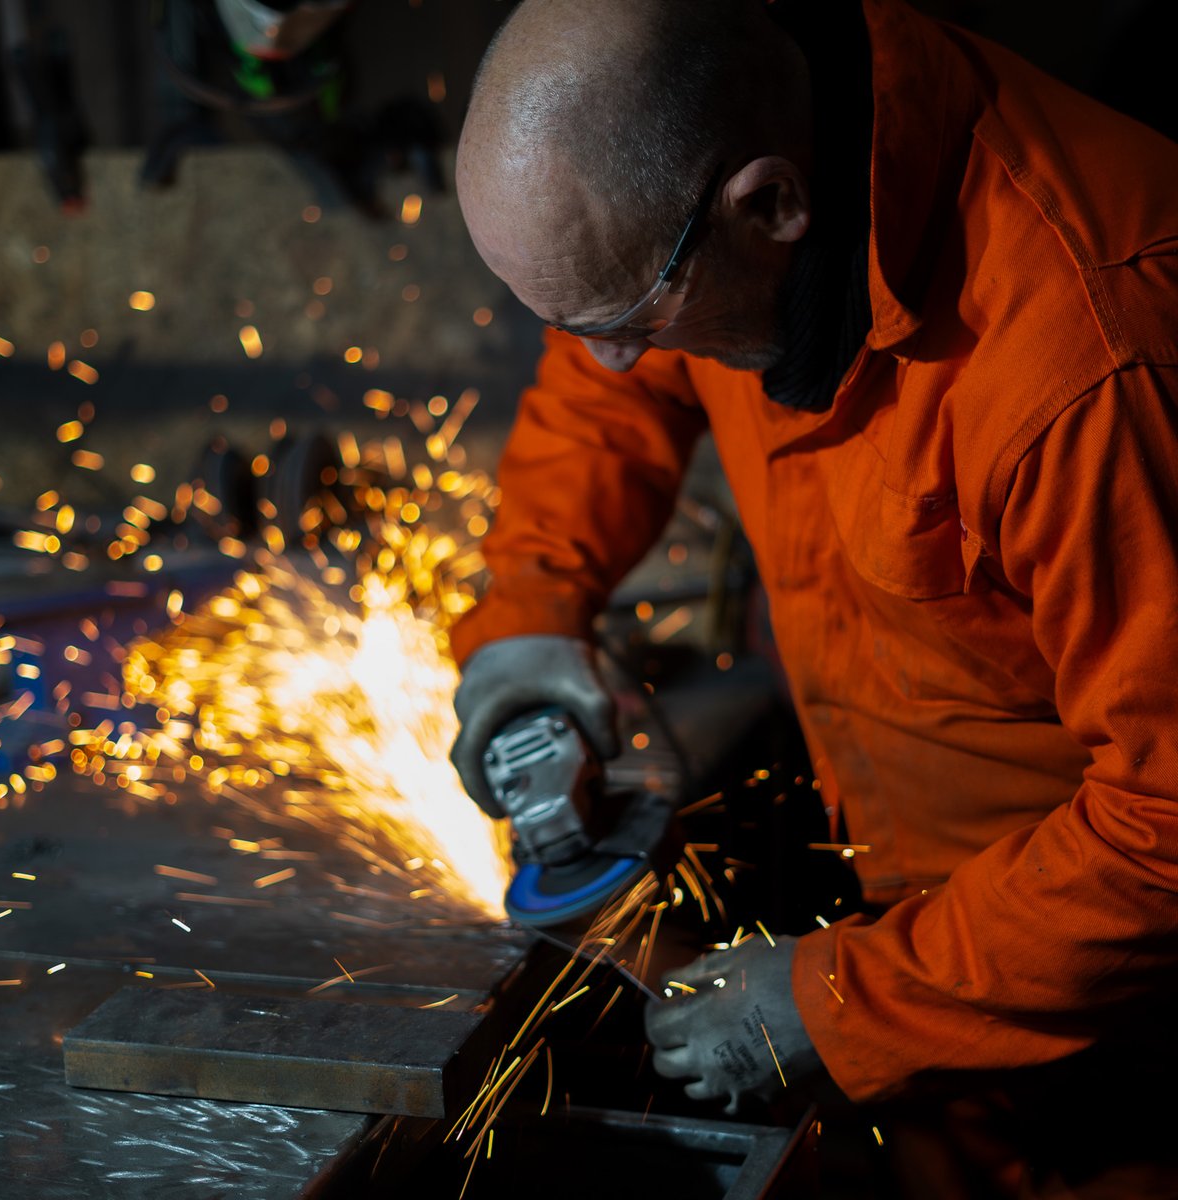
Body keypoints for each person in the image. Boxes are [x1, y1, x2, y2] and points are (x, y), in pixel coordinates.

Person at [447, 0, 1178, 1194]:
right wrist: (530, 608)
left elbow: (1169, 827)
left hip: (1121, 1042)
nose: (611, 356)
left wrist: (848, 1004)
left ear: (773, 207)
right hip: (944, 1014)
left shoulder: (1090, 366)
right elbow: (608, 390)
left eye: (626, 322)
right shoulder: (723, 211)